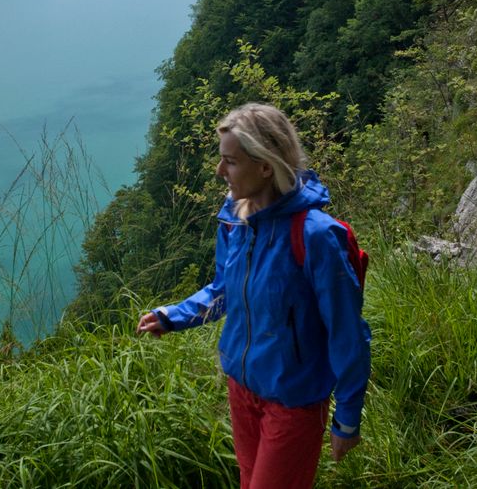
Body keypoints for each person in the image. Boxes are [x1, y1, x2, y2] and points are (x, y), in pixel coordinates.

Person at [137, 103, 370, 489]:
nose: (219, 171)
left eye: (230, 161)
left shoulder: (316, 236)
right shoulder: (235, 221)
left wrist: (347, 417)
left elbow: (348, 333)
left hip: (294, 401)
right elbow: (224, 291)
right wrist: (172, 316)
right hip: (242, 389)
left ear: (265, 166)